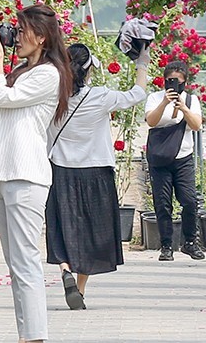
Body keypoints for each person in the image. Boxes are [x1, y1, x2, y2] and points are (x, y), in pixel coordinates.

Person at [0, 5, 73, 343]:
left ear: (41, 36)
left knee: (27, 260)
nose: (14, 36)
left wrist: (0, 60)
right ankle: (25, 340)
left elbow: (3, 98)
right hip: (3, 173)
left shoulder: (49, 74)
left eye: (20, 29)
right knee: (15, 263)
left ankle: (37, 342)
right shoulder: (20, 71)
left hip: (26, 174)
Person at [45, 43, 147, 309]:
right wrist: (142, 62)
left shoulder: (53, 97)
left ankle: (65, 268)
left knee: (61, 226)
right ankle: (79, 289)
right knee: (89, 233)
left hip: (60, 171)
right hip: (96, 173)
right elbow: (137, 93)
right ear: (88, 71)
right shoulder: (100, 96)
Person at [144, 67, 205, 260]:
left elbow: (196, 125)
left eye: (178, 81)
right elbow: (151, 122)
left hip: (183, 158)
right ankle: (166, 246)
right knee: (162, 204)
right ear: (164, 81)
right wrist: (165, 102)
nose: (174, 84)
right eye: (170, 80)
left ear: (185, 82)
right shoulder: (155, 98)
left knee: (189, 200)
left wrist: (183, 108)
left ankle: (189, 242)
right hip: (160, 159)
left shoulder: (190, 100)